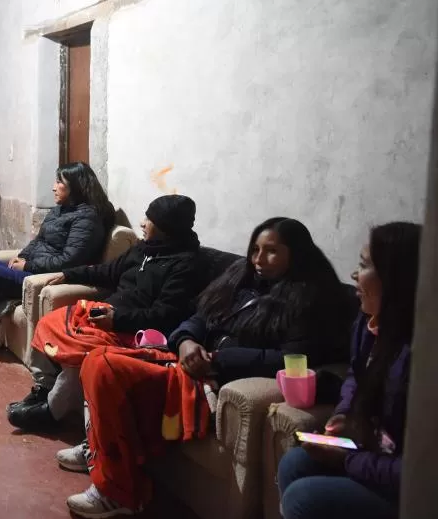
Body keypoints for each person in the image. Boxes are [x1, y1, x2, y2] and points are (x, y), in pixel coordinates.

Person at [62, 217, 354, 518]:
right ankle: (97, 451)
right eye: (255, 249)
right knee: (97, 359)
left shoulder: (308, 300)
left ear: (297, 254)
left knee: (106, 366)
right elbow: (200, 315)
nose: (258, 259)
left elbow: (291, 359)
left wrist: (219, 360)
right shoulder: (242, 278)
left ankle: (117, 491)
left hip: (211, 382)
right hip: (186, 362)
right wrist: (186, 340)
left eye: (271, 251)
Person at [6, 194, 209, 432]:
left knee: (77, 351)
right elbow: (108, 271)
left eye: (150, 219)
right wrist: (70, 274)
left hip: (133, 331)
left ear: (166, 227)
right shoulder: (143, 250)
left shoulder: (185, 265)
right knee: (51, 322)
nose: (142, 223)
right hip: (108, 314)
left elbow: (165, 315)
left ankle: (51, 411)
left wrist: (117, 320)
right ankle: (45, 388)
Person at [277, 222, 421, 519]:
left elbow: (419, 472)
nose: (354, 275)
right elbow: (357, 373)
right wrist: (345, 414)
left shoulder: (424, 354)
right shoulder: (371, 324)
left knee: (303, 498)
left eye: (364, 265)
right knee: (295, 462)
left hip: (409, 487)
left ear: (397, 280)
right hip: (374, 452)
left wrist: (348, 460)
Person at [0, 162, 121, 355]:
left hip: (43, 276)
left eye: (59, 182)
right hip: (32, 267)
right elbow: (39, 240)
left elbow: (70, 261)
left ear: (76, 186)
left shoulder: (87, 219)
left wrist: (28, 265)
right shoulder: (61, 209)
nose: (53, 187)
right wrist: (22, 257)